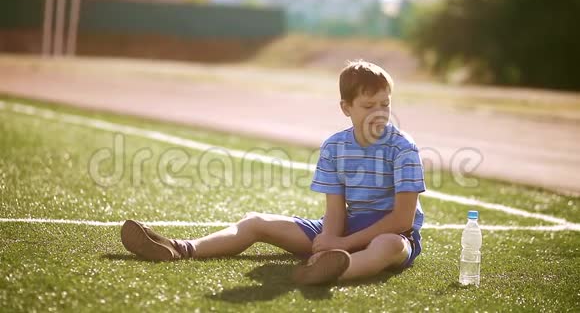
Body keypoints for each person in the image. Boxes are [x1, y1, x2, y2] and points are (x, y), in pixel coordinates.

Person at [121, 60, 426, 285]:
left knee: (388, 247)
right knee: (255, 222)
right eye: (368, 105)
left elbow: (402, 220)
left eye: (385, 104)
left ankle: (325, 272)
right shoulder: (334, 147)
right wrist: (331, 237)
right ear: (346, 108)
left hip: (390, 234)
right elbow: (334, 209)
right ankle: (180, 249)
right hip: (345, 230)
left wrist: (343, 245)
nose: (379, 113)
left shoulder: (402, 148)